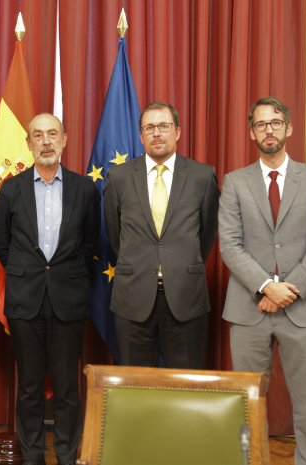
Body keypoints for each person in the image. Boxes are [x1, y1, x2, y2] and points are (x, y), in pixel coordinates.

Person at [220, 97, 306, 465]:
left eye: (274, 122)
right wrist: (267, 287)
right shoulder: (235, 182)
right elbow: (230, 246)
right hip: (248, 309)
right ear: (251, 131)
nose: (267, 129)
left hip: (301, 309)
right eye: (260, 123)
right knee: (247, 405)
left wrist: (285, 291)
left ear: (288, 127)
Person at [0, 113, 101, 465]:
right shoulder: (10, 188)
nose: (46, 141)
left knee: (68, 387)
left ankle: (68, 455)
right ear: (28, 143)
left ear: (64, 139)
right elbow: (2, 246)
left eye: (52, 134)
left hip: (69, 299)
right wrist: (30, 274)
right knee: (29, 387)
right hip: (25, 301)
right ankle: (33, 455)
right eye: (37, 135)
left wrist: (63, 275)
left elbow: (90, 245)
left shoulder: (85, 188)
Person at [103, 101, 219, 368]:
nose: (157, 133)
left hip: (186, 300)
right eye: (150, 127)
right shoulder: (118, 176)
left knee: (186, 388)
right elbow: (114, 234)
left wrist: (181, 262)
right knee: (137, 388)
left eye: (164, 126)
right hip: (133, 301)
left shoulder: (203, 176)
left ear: (177, 132)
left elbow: (208, 233)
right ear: (141, 135)